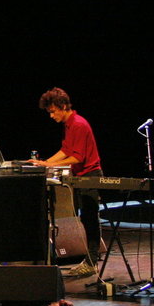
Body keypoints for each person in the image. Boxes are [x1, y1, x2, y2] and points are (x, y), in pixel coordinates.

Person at [32, 87, 102, 275]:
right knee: (86, 219)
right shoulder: (69, 125)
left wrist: (49, 165)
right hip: (81, 176)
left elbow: (77, 157)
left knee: (90, 219)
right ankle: (90, 260)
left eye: (53, 111)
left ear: (63, 106)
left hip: (90, 176)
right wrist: (44, 163)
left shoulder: (78, 124)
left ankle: (92, 262)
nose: (51, 116)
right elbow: (66, 151)